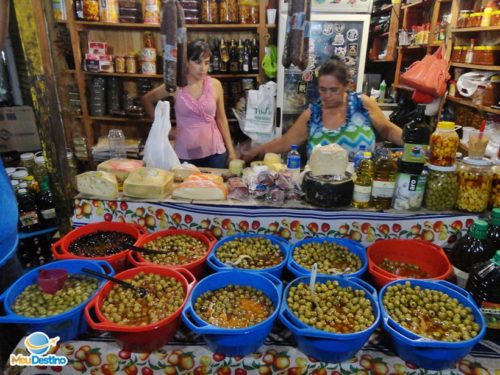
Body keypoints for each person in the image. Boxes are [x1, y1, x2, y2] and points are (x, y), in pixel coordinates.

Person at [241, 57, 403, 162]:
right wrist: (255, 152)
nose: (327, 95)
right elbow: (286, 142)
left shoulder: (362, 105)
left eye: (333, 90)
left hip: (362, 187)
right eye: (323, 89)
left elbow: (388, 130)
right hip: (319, 189)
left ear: (347, 86)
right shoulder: (313, 114)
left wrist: (417, 146)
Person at [142, 40, 236, 168]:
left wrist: (231, 152)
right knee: (185, 187)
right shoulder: (176, 85)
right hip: (186, 153)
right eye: (197, 62)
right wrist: (166, 129)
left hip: (215, 152)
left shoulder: (215, 85)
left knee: (216, 187)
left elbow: (221, 119)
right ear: (186, 62)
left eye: (207, 63)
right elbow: (146, 100)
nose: (203, 68)